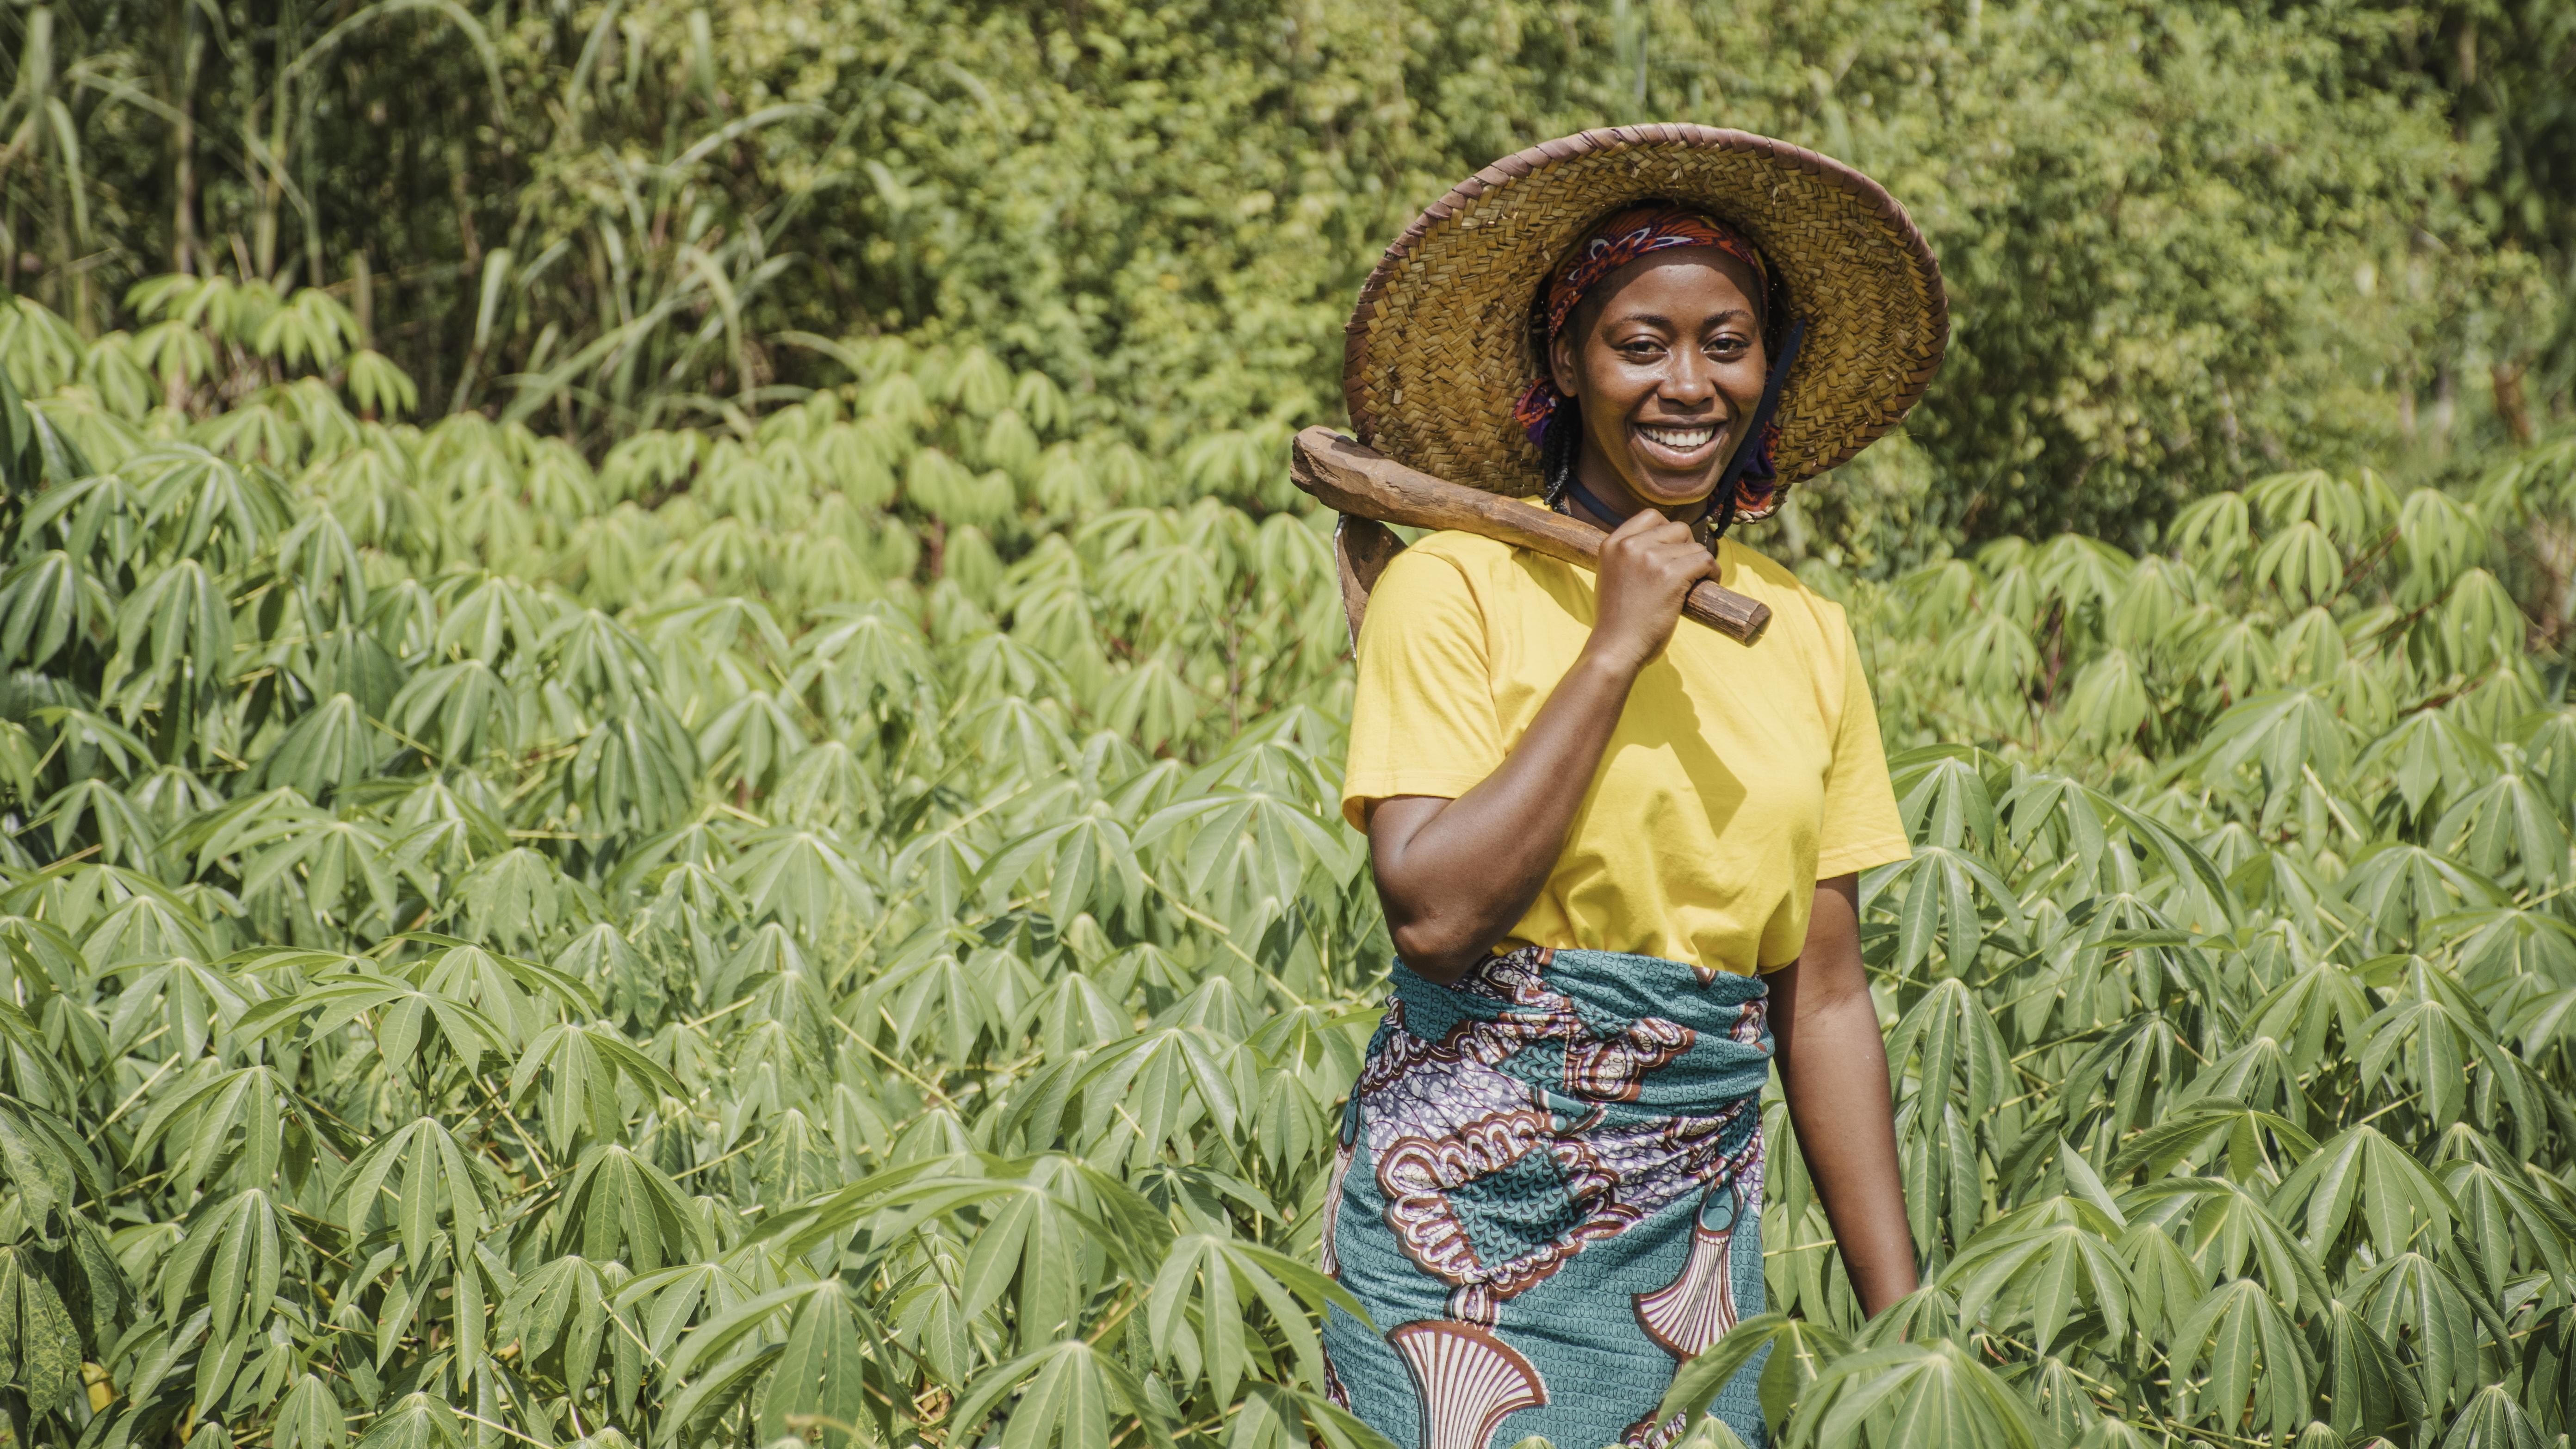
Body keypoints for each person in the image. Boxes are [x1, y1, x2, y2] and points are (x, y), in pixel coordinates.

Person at [1317, 126, 1950, 1449]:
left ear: (1766, 367)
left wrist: (1907, 1325)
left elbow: (1822, 988)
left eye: (1727, 342)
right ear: (1569, 362)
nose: (1688, 383)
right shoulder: (1457, 588)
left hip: (1691, 1250)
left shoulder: (1803, 632)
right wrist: (1617, 645)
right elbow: (1431, 913)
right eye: (1639, 342)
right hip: (1461, 1236)